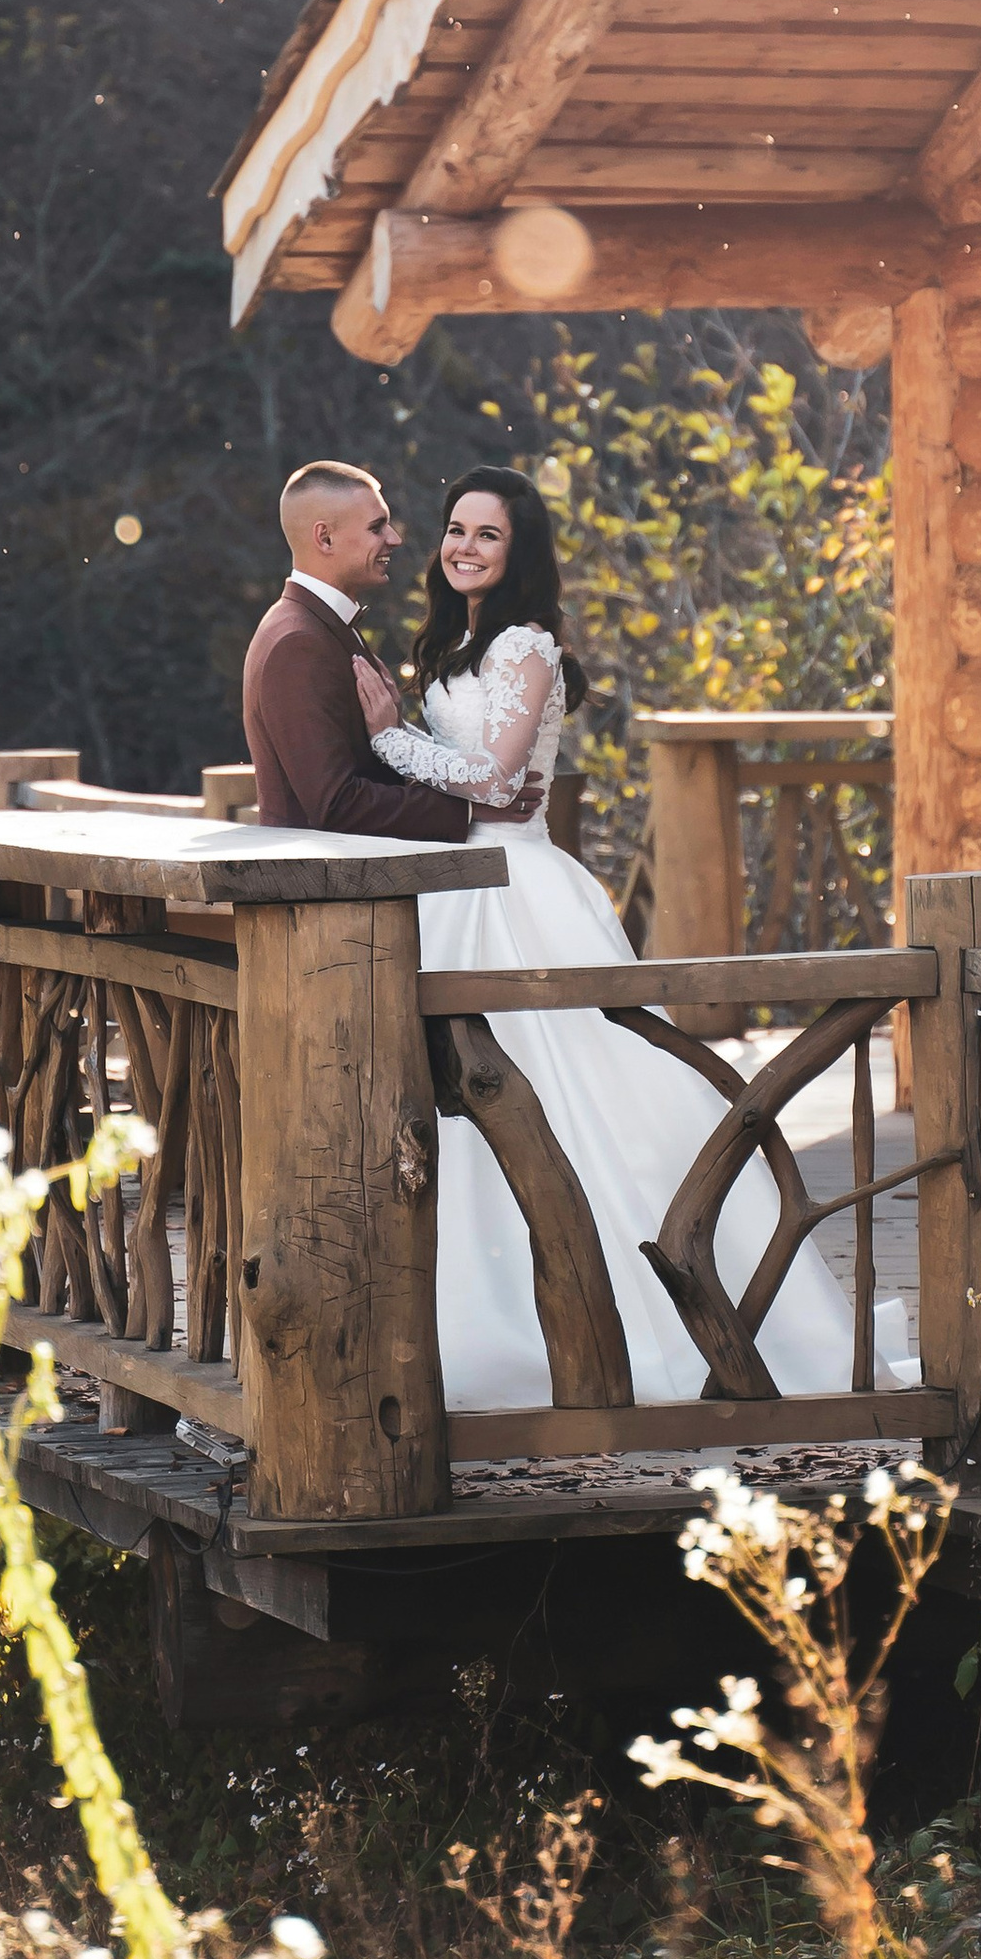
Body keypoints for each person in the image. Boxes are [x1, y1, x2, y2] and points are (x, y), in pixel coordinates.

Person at [372, 464, 893, 1414]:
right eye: (455, 529)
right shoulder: (457, 642)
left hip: (516, 891)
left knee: (571, 1097)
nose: (464, 548)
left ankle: (638, 1322)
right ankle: (476, 1324)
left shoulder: (526, 645)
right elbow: (473, 774)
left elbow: (498, 784)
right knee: (463, 1108)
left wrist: (387, 738)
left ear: (520, 551)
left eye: (487, 535)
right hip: (457, 886)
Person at [240, 459, 544, 843]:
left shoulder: (323, 626)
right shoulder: (298, 642)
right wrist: (470, 810)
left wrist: (398, 737)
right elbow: (334, 805)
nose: (394, 539)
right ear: (325, 538)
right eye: (376, 527)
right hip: (318, 875)